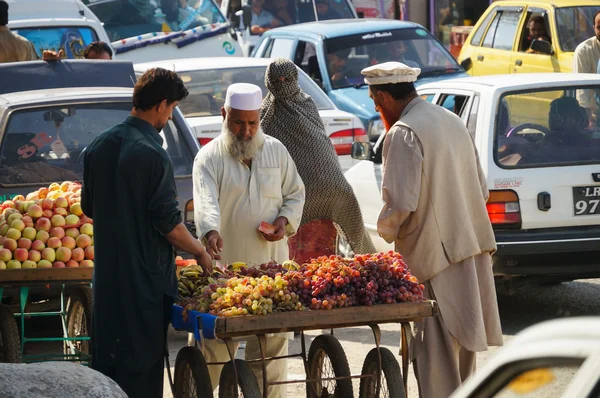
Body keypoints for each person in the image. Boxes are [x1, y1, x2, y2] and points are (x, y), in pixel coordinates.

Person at [361, 62, 503, 398]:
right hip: (472, 251)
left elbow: (401, 205)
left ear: (382, 96)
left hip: (435, 263)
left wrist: (380, 235)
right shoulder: (452, 121)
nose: (377, 109)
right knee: (464, 364)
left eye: (375, 102)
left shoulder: (403, 132)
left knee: (435, 362)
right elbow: (481, 190)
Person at [82, 68, 213, 398]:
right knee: (141, 371)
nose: (169, 118)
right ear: (162, 105)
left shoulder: (98, 146)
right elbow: (169, 225)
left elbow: (88, 207)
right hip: (144, 284)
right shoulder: (153, 154)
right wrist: (199, 251)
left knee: (107, 370)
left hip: (108, 281)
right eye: (171, 110)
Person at [193, 83, 305, 397]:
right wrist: (210, 231)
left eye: (252, 123)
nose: (246, 131)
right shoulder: (208, 157)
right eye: (238, 122)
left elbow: (295, 194)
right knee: (214, 348)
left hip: (272, 270)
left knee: (271, 350)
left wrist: (284, 221)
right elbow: (205, 202)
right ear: (223, 115)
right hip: (226, 271)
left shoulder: (276, 150)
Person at [260, 58, 375, 262]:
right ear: (270, 81)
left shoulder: (271, 113)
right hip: (309, 198)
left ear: (295, 78)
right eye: (278, 79)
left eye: (287, 78)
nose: (283, 83)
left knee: (315, 263)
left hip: (316, 197)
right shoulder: (282, 109)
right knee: (311, 262)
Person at [573, 10, 600, 125]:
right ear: (594, 28)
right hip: (596, 118)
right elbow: (581, 91)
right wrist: (589, 121)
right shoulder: (584, 51)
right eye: (599, 27)